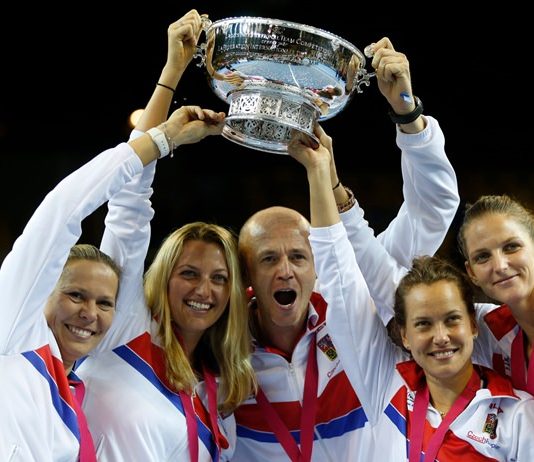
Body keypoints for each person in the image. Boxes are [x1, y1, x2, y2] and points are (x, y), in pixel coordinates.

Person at [232, 37, 459, 461]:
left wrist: (407, 113)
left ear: (318, 261)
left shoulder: (360, 303)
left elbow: (432, 210)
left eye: (298, 256)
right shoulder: (223, 351)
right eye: (268, 259)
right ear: (246, 276)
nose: (285, 270)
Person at [288, 125, 534, 461]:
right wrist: (321, 176)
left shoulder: (518, 417)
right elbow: (344, 281)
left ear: (472, 325)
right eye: (423, 324)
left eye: (452, 320)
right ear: (404, 333)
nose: (441, 336)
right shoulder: (387, 386)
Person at [76, 10, 256, 462]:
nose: (204, 290)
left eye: (219, 278)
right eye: (189, 273)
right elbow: (129, 204)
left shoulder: (220, 396)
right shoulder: (126, 323)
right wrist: (172, 72)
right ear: (163, 277)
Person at [0, 100, 222, 461]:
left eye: (104, 303)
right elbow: (65, 210)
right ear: (44, 289)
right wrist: (161, 139)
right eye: (75, 295)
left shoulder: (70, 416)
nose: (90, 313)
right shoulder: (14, 335)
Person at [457, 194, 534, 395]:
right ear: (472, 273)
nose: (500, 266)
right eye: (483, 257)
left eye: (511, 247)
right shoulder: (491, 328)